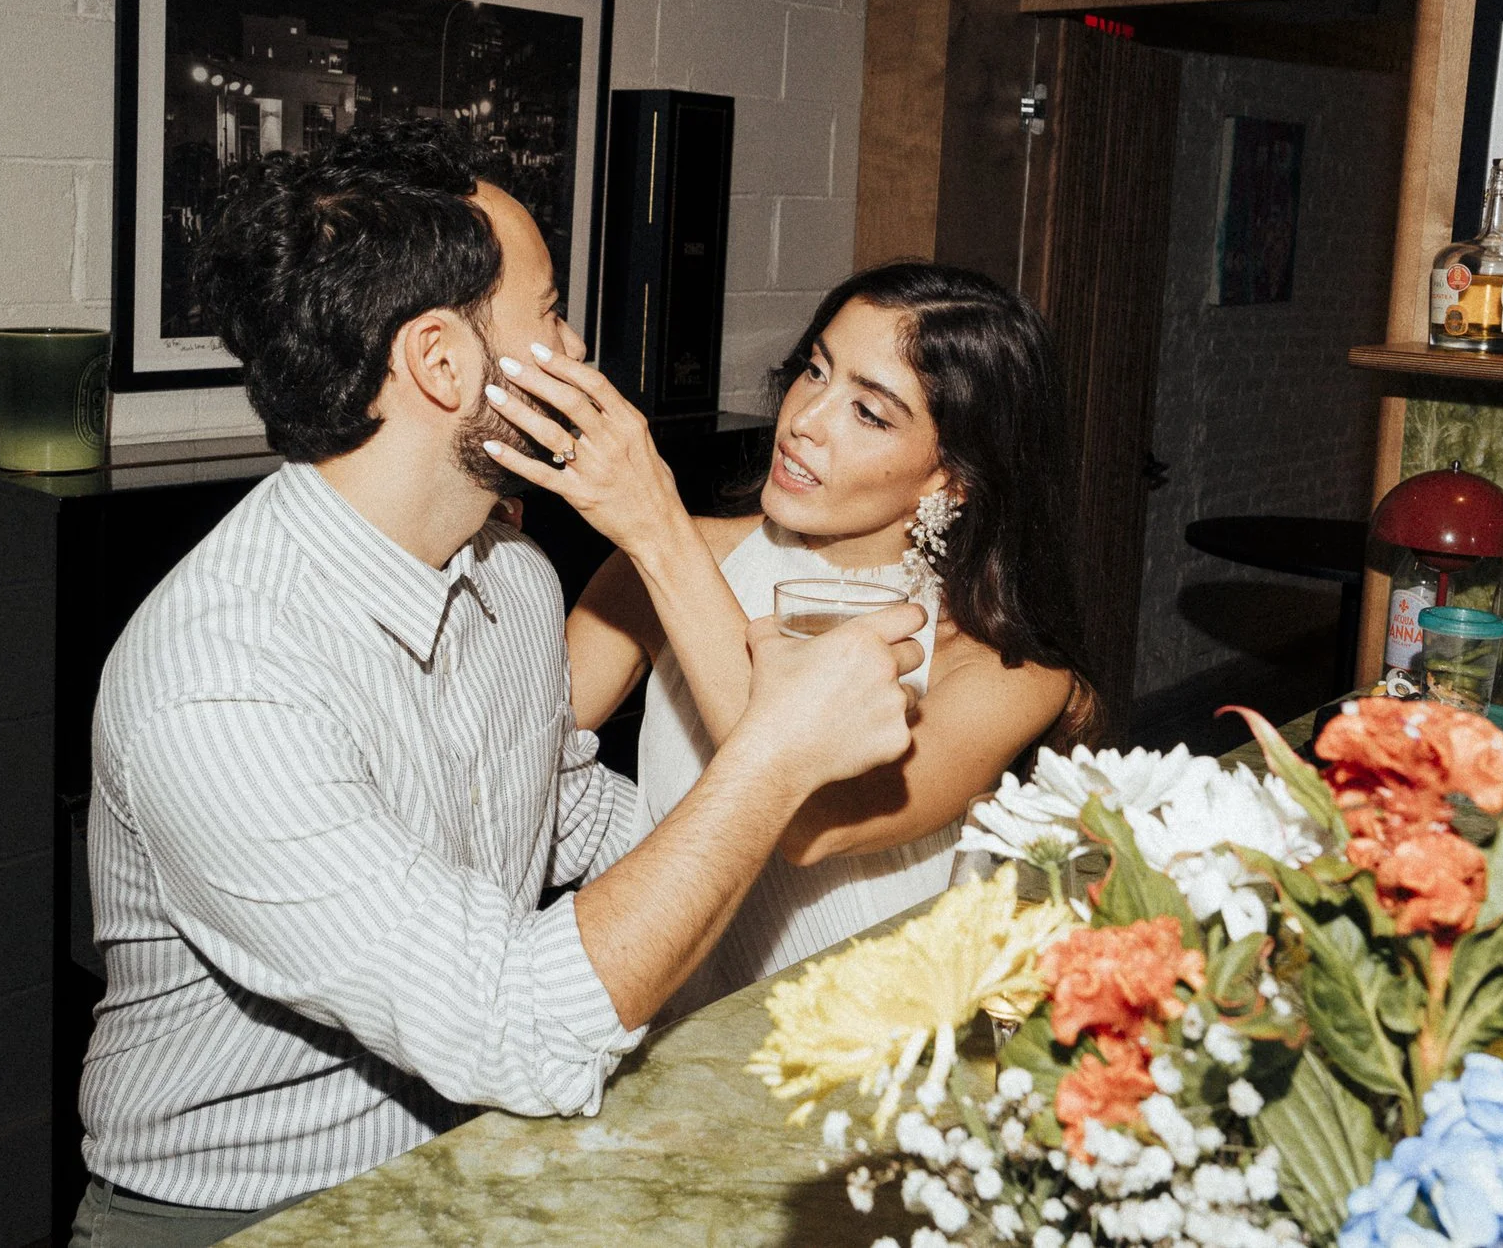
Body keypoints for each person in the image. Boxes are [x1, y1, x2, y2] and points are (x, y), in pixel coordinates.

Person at [71, 130, 925, 1247]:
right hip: (237, 1212)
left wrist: (832, 893)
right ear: (442, 362)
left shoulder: (511, 576)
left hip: (471, 1151)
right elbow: (515, 1023)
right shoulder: (223, 683)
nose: (579, 348)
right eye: (553, 311)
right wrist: (773, 753)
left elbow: (556, 808)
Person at [489, 262, 1106, 1014]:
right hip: (668, 1052)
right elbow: (502, 761)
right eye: (815, 370)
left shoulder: (1005, 667)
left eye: (869, 412)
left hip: (872, 1061)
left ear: (949, 478)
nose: (805, 418)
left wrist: (658, 528)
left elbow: (812, 820)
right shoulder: (671, 566)